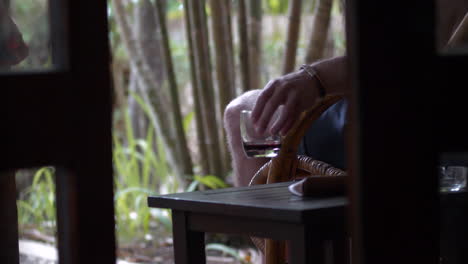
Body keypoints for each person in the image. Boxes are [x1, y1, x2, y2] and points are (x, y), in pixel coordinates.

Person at [224, 1, 468, 188]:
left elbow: (402, 62)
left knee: (245, 116)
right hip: (390, 97)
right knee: (243, 113)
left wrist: (316, 78)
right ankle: (275, 252)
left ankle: (275, 252)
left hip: (417, 110)